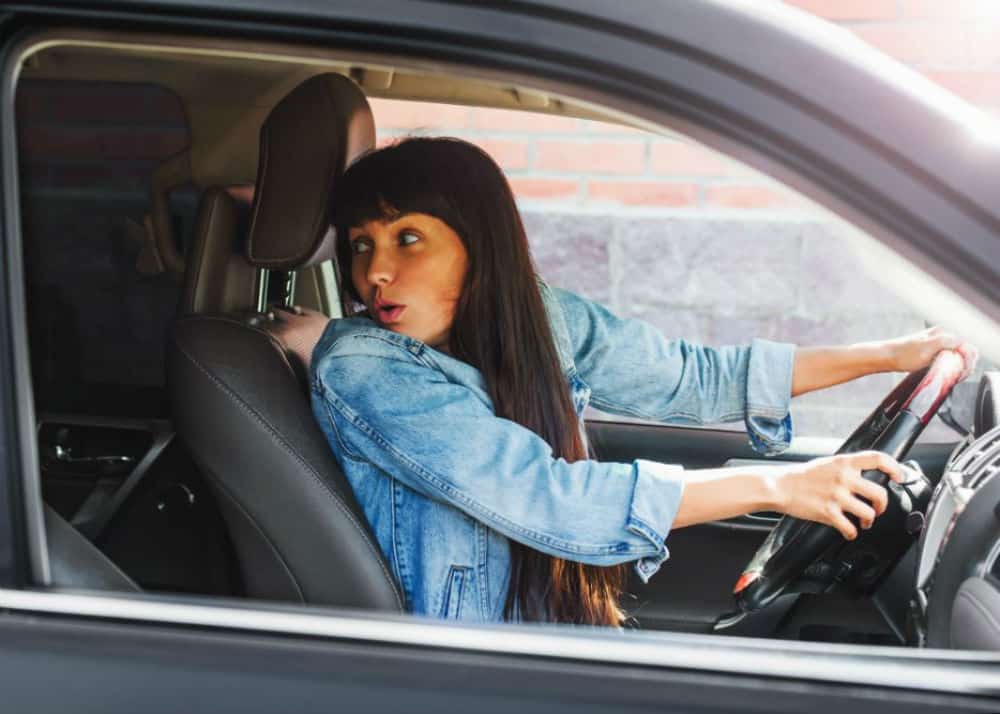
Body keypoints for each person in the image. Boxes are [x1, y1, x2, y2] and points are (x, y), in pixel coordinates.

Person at [310, 137, 975, 627]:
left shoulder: (537, 320)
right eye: (363, 244)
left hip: (536, 639)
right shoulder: (367, 366)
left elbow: (694, 379)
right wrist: (778, 485)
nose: (376, 273)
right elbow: (548, 497)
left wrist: (888, 355)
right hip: (460, 665)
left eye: (408, 239)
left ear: (479, 243)